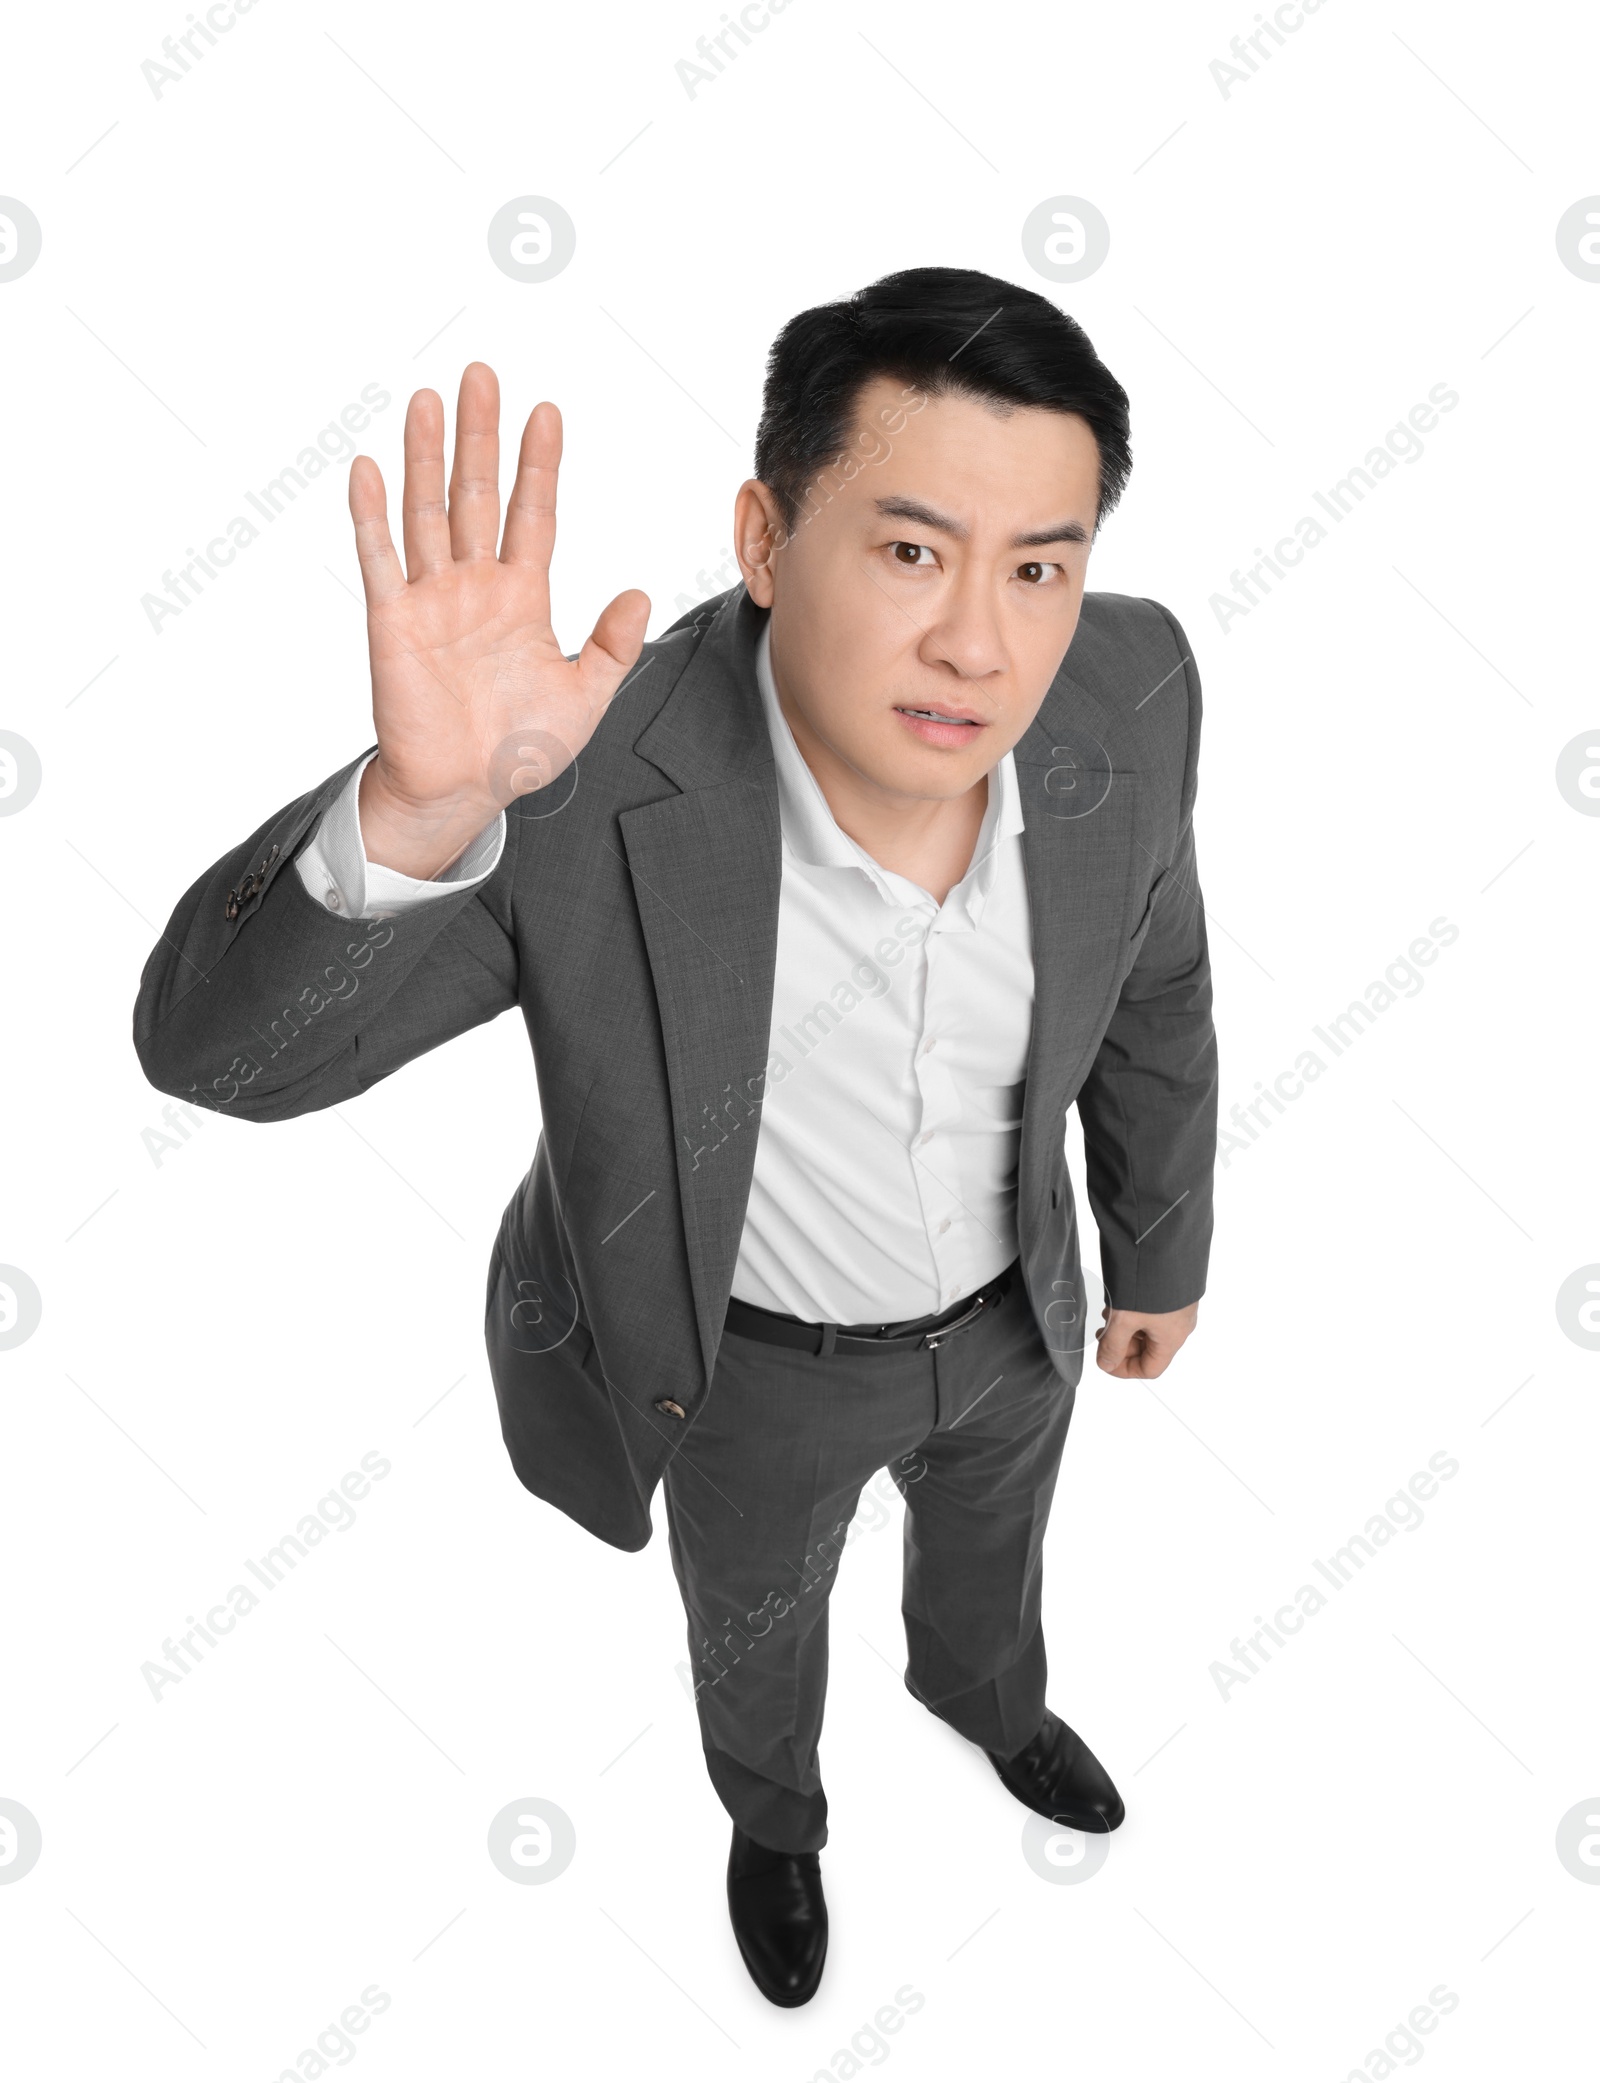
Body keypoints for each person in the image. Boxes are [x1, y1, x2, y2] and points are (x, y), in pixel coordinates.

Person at [133, 266, 1218, 2009]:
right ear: (768, 540)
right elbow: (219, 1059)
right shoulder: (573, 770)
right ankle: (776, 1826)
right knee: (758, 1631)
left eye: (1042, 566)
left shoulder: (1130, 685)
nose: (981, 643)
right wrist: (425, 809)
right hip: (749, 1372)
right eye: (913, 550)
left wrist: (1158, 1240)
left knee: (997, 1557)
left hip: (1020, 1330)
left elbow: (1157, 973)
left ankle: (986, 1703)